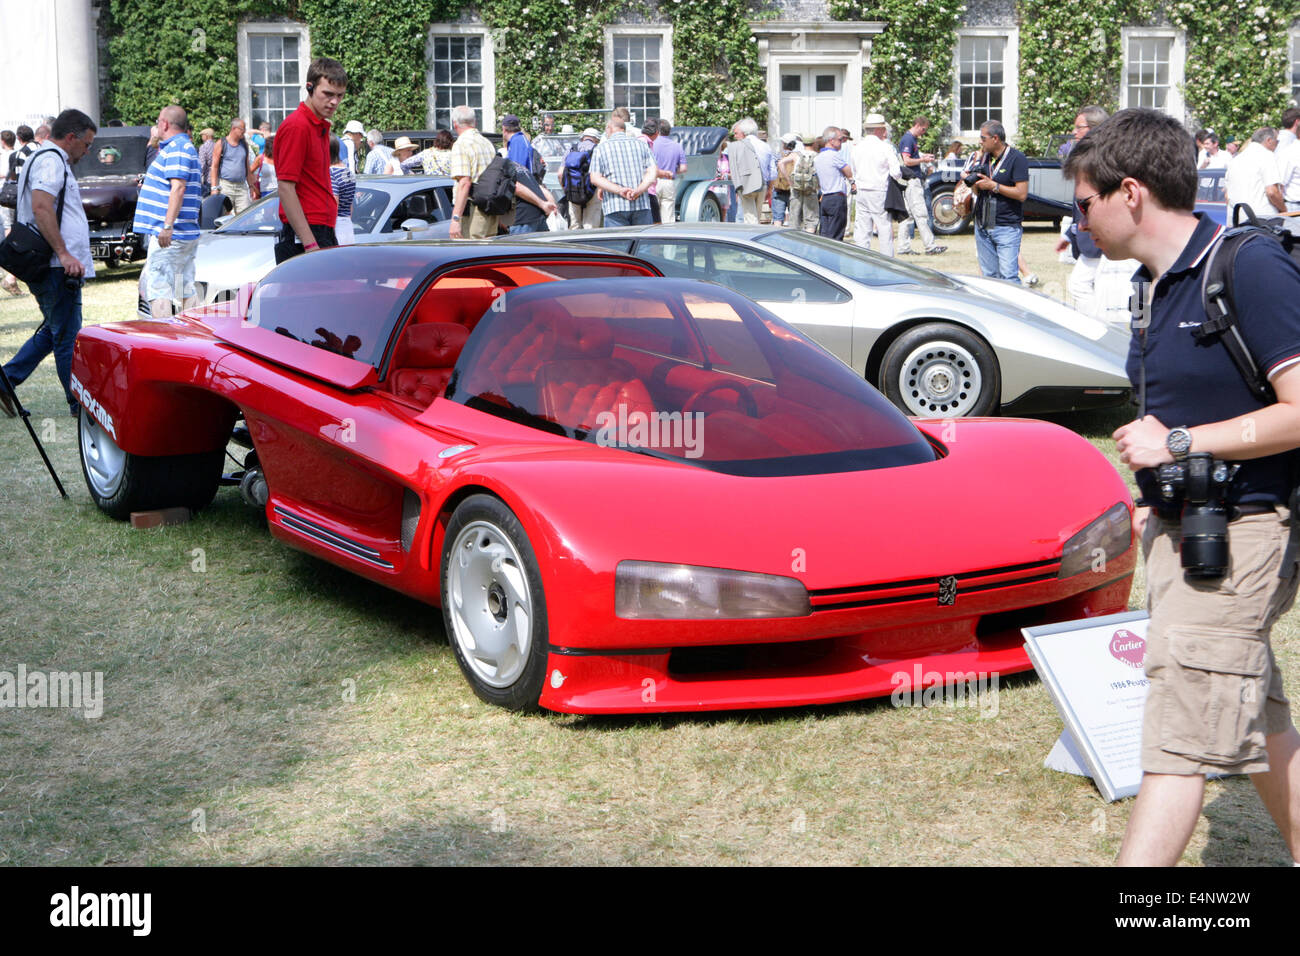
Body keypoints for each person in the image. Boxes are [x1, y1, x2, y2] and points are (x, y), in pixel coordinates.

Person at [1065, 107, 1300, 868]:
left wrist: (1178, 443)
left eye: (1084, 202)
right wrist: (1155, 497)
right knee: (1258, 719)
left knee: (1177, 739)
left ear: (1129, 192)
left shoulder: (1250, 267)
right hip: (1188, 531)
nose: (1079, 219)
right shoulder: (1159, 286)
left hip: (1243, 535)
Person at [0, 109, 97, 420]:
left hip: (53, 264)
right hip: (56, 265)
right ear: (71, 137)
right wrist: (65, 254)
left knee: (55, 330)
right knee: (67, 336)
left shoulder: (46, 157)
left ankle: (6, 379)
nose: (88, 150)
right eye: (87, 143)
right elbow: (41, 207)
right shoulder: (52, 160)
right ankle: (78, 405)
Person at [273, 57, 346, 263]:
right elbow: (286, 187)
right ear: (310, 87)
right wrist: (310, 244)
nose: (334, 102)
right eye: (328, 94)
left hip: (318, 229)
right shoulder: (298, 126)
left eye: (339, 96)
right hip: (307, 233)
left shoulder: (316, 125)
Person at [133, 105, 202, 318]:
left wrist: (167, 225)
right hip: (181, 234)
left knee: (159, 287)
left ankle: (163, 339)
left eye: (157, 122)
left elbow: (178, 187)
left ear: (164, 124)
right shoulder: (181, 147)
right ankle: (194, 335)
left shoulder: (178, 148)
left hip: (171, 235)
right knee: (184, 287)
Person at [971, 120, 1028, 282]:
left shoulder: (1017, 158)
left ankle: (1014, 308)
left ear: (995, 138)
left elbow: (1022, 194)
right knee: (989, 278)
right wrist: (975, 184)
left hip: (1006, 226)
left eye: (983, 138)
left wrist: (994, 186)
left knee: (1008, 277)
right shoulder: (984, 158)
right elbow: (977, 190)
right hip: (983, 224)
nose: (980, 141)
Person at [589, 115, 657, 227]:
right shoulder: (641, 145)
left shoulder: (601, 148)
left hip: (614, 205)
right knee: (643, 243)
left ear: (609, 128)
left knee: (618, 243)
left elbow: (595, 178)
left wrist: (620, 190)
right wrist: (638, 190)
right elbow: (652, 172)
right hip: (641, 204)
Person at [851, 113, 900, 255]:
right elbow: (896, 172)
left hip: (861, 190)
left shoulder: (857, 147)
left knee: (862, 228)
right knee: (884, 227)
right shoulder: (885, 147)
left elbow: (853, 170)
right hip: (879, 190)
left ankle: (861, 258)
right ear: (879, 129)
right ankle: (887, 259)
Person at [448, 105, 499, 239]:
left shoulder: (461, 144)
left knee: (468, 253)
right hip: (490, 207)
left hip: (473, 210)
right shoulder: (486, 143)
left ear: (455, 124)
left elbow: (465, 183)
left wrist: (455, 218)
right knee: (488, 255)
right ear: (474, 122)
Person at [896, 117, 945, 255]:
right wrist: (923, 159)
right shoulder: (908, 139)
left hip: (909, 181)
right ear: (917, 125)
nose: (923, 132)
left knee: (907, 216)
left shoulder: (911, 139)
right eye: (923, 129)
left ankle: (904, 247)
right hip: (912, 180)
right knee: (921, 214)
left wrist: (922, 156)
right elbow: (907, 161)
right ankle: (930, 246)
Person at [1224, 127, 1285, 221]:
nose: (1277, 145)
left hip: (1237, 219)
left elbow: (1227, 195)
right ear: (1269, 140)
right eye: (1277, 142)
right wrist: (1284, 210)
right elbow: (1272, 191)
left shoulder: (1235, 160)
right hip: (1262, 221)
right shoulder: (1267, 156)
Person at [814, 126, 852, 240]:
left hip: (825, 197)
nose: (841, 142)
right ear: (831, 140)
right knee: (836, 235)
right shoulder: (834, 155)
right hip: (836, 197)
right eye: (840, 140)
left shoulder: (818, 157)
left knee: (825, 234)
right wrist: (852, 180)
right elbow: (848, 171)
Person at [210, 118, 255, 213]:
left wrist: (251, 186)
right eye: (243, 129)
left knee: (244, 216)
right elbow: (214, 166)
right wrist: (214, 188)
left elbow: (246, 166)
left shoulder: (244, 145)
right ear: (234, 128)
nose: (244, 132)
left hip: (241, 187)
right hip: (226, 186)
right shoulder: (221, 143)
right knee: (226, 216)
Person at [726, 119, 765, 224]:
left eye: (736, 133)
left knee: (750, 218)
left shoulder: (734, 146)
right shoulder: (764, 146)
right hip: (760, 185)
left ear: (743, 132)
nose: (735, 136)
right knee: (755, 216)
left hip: (746, 186)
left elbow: (734, 168)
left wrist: (738, 186)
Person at [565, 128, 603, 229]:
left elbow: (560, 173)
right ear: (596, 139)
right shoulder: (598, 149)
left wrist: (566, 189)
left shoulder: (571, 149)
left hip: (572, 189)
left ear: (583, 138)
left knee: (574, 225)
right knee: (590, 225)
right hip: (593, 189)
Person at [780, 136, 818, 233]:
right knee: (810, 218)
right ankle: (809, 239)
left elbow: (781, 163)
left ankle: (794, 239)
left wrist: (789, 180)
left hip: (796, 187)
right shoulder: (816, 155)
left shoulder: (796, 154)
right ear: (814, 143)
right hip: (811, 189)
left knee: (794, 216)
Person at [652, 118, 686, 223]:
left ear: (657, 130)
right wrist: (672, 170)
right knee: (668, 217)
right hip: (669, 182)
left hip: (653, 181)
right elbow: (684, 168)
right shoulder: (677, 146)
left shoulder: (652, 144)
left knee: (653, 216)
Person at [329, 135, 356, 245]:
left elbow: (334, 201)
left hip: (336, 225)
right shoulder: (348, 172)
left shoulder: (331, 173)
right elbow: (350, 204)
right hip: (347, 223)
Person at [196, 127, 216, 197]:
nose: (202, 137)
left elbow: (202, 164)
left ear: (206, 136)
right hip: (217, 177)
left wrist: (199, 177)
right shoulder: (217, 145)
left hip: (208, 178)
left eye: (202, 135)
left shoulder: (203, 147)